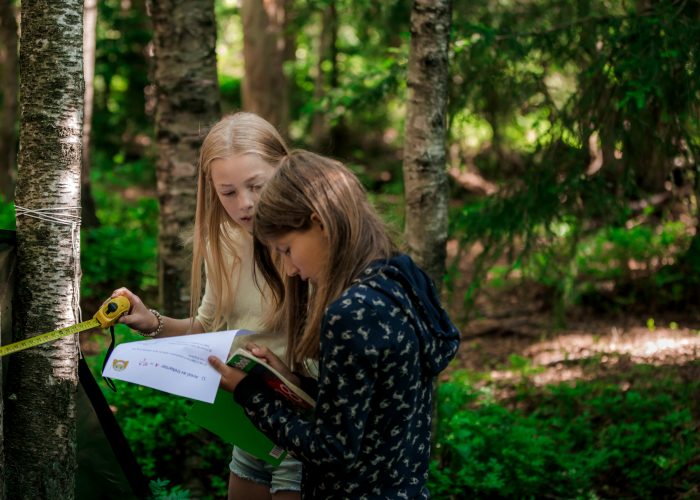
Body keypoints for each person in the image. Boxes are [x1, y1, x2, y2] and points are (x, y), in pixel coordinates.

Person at [208, 150, 461, 498]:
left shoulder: (350, 313)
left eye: (286, 249)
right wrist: (295, 383)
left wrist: (249, 394)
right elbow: (373, 408)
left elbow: (332, 451)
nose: (290, 270)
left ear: (320, 223)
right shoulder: (400, 276)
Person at [110, 112, 303, 500]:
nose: (244, 204)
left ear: (284, 169)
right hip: (248, 421)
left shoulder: (309, 241)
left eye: (256, 186)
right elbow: (206, 330)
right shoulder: (226, 242)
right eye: (228, 192)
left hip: (304, 427)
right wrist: (151, 323)